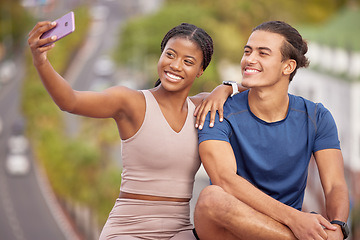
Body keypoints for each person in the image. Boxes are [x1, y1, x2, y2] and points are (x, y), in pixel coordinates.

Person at [28, 21, 245, 239]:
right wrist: (40, 60)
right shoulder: (130, 102)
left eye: (188, 61)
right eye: (170, 55)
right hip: (129, 230)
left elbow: (265, 89)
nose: (176, 65)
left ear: (200, 71)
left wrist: (226, 87)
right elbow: (70, 101)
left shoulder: (203, 107)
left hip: (180, 231)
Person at [194, 21, 350, 240]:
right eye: (247, 51)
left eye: (262, 53)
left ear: (288, 66)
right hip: (230, 231)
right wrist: (295, 220)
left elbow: (335, 185)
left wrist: (338, 227)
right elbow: (224, 179)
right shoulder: (219, 111)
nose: (249, 59)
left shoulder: (316, 117)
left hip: (279, 230)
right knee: (211, 198)